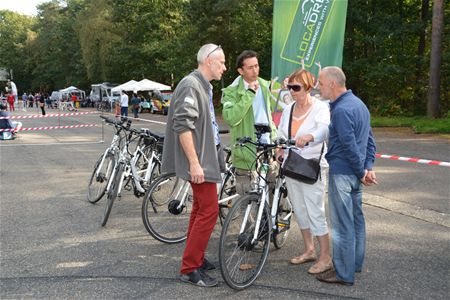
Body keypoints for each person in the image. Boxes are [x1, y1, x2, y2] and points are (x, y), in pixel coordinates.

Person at [161, 43, 226, 287]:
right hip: (199, 162)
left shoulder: (202, 85)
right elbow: (183, 125)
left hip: (204, 158)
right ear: (209, 61)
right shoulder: (192, 84)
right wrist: (195, 164)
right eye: (221, 62)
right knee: (208, 211)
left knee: (200, 208)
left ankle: (195, 258)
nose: (224, 67)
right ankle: (189, 268)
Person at [315, 66, 377, 286]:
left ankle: (343, 273)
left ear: (332, 83)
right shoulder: (359, 105)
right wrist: (367, 167)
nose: (318, 86)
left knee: (342, 225)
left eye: (320, 82)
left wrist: (362, 172)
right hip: (355, 173)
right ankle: (355, 264)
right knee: (357, 219)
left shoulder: (341, 110)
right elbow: (370, 141)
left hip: (344, 172)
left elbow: (350, 146)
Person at [275, 69, 332, 274]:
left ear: (308, 87)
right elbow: (282, 131)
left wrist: (309, 135)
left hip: (311, 166)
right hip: (291, 165)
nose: (292, 91)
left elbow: (324, 129)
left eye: (296, 87)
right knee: (299, 209)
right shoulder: (289, 108)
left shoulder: (320, 108)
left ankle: (325, 256)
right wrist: (279, 147)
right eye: (289, 87)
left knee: (315, 211)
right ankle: (309, 250)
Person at [222, 50, 277, 195]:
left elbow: (269, 116)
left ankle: (270, 217)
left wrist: (275, 137)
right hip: (247, 150)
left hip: (267, 148)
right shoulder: (232, 91)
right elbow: (231, 118)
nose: (255, 70)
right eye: (250, 67)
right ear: (241, 70)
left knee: (271, 190)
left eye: (256, 66)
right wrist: (249, 94)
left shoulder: (265, 86)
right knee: (247, 198)